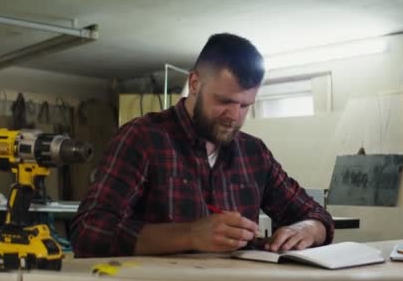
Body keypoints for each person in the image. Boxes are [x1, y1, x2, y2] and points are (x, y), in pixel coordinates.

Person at [70, 33, 334, 257]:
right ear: (195, 83)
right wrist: (189, 235)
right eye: (223, 101)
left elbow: (314, 213)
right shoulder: (143, 138)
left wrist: (308, 229)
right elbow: (88, 231)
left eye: (245, 106)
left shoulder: (254, 153)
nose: (234, 116)